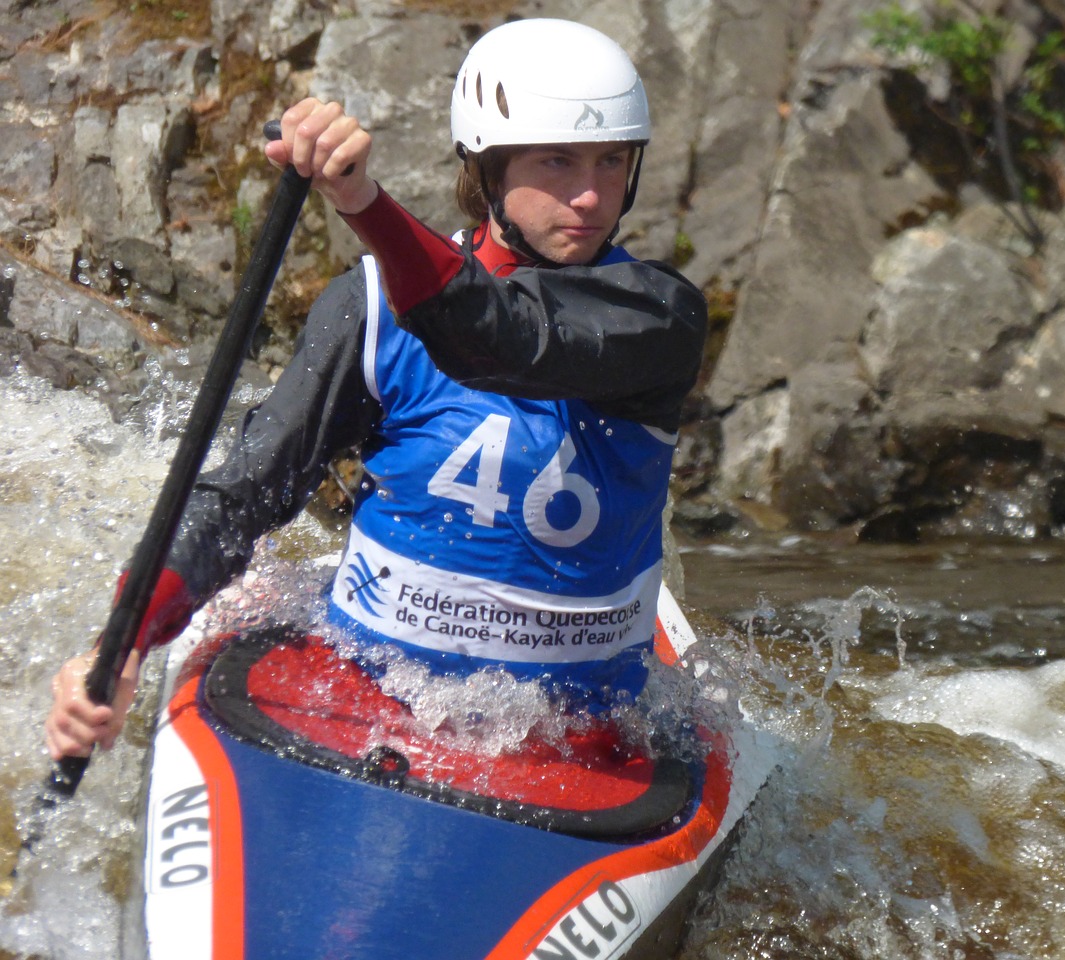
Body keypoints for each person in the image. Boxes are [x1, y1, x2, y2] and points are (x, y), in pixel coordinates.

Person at [45, 18, 708, 760]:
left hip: (583, 728)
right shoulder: (367, 309)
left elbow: (494, 336)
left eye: (611, 161)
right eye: (557, 161)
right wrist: (121, 645)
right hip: (373, 694)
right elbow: (242, 495)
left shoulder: (658, 316)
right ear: (486, 169)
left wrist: (363, 204)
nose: (589, 195)